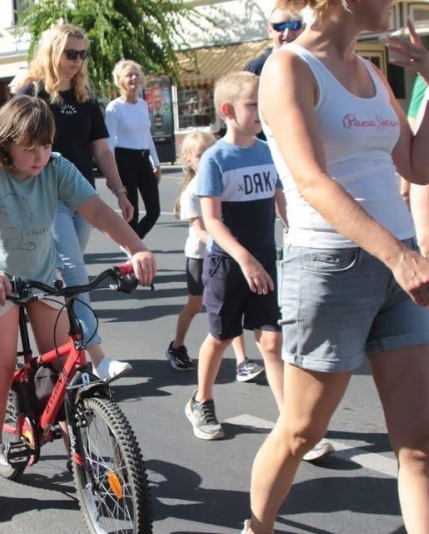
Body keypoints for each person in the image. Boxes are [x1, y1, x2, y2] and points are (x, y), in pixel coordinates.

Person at [243, 4, 429, 532]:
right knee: (301, 431)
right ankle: (257, 527)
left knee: (419, 444)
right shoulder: (289, 68)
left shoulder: (369, 71)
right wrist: (397, 254)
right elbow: (311, 181)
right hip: (332, 267)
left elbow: (417, 164)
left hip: (400, 268)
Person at [0, 95, 157, 517]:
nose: (39, 155)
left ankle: (84, 458)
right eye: (29, 147)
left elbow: (98, 211)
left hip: (42, 275)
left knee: (65, 371)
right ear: (6, 142)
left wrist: (136, 248)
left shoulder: (57, 168)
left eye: (45, 145)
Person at [16, 24, 134, 380]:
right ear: (53, 52)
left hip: (82, 196)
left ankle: (68, 354)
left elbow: (100, 148)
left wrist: (121, 191)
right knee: (75, 273)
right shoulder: (32, 93)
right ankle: (98, 358)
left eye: (82, 54)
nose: (77, 61)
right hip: (45, 196)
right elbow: (7, 143)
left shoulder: (85, 97)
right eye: (70, 53)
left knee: (64, 280)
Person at [184, 72, 286, 442]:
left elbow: (280, 199)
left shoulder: (268, 150)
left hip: (264, 260)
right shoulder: (215, 159)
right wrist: (243, 259)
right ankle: (202, 400)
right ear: (229, 110)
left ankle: (292, 425)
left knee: (271, 341)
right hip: (229, 264)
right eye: (253, 104)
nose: (262, 111)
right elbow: (212, 220)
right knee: (222, 336)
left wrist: (293, 229)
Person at [167, 131, 264, 382]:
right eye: (200, 155)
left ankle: (242, 362)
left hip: (224, 254)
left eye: (210, 151)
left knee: (229, 306)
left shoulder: (221, 181)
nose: (207, 158)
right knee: (195, 305)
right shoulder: (191, 192)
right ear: (188, 160)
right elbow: (199, 230)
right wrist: (222, 243)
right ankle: (177, 346)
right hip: (200, 257)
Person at [105, 60, 162, 240]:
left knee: (154, 211)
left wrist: (157, 163)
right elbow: (109, 143)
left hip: (143, 159)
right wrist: (111, 174)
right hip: (124, 160)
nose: (134, 78)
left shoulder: (143, 105)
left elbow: (147, 136)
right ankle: (134, 251)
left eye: (136, 74)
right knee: (132, 213)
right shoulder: (114, 107)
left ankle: (132, 242)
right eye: (129, 75)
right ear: (120, 80)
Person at [243, 8, 304, 76]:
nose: (287, 34)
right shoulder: (256, 69)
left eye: (294, 26)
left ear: (303, 29)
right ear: (269, 30)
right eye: (281, 26)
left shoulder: (311, 63)